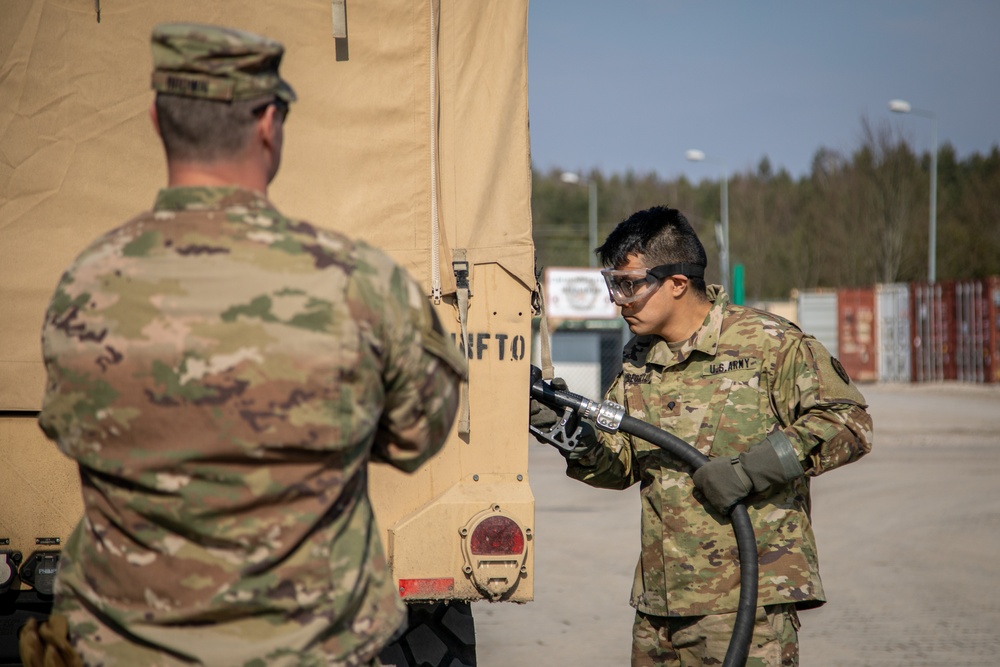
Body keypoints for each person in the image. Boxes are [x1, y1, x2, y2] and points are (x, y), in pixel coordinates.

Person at [31, 23, 466, 667]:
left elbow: (80, 435)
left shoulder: (87, 282)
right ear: (268, 123)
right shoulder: (360, 284)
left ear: (157, 120)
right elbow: (417, 436)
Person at [530, 206, 873, 666]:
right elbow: (619, 464)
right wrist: (560, 426)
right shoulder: (638, 359)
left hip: (745, 606)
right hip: (660, 609)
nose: (618, 299)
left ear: (676, 282)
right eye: (613, 284)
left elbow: (849, 421)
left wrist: (753, 470)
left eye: (629, 284)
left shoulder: (767, 342)